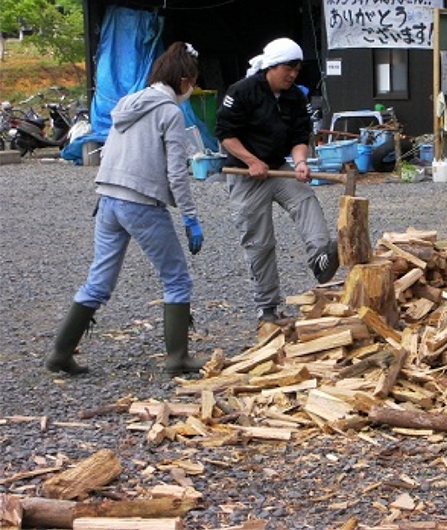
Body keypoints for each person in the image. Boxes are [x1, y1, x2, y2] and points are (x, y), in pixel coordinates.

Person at [46, 42, 207, 376]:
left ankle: (60, 353)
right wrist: (190, 217)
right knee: (177, 280)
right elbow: (176, 172)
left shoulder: (127, 102)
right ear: (183, 78)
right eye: (192, 80)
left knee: (99, 281)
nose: (192, 87)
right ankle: (177, 358)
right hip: (141, 203)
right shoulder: (169, 112)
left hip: (107, 200)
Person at [215, 37, 338, 325]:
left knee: (305, 198)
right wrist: (251, 161)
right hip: (246, 174)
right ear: (272, 66)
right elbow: (225, 134)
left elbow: (299, 136)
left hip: (278, 168)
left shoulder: (295, 96)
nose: (293, 74)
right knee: (260, 241)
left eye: (297, 69)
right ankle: (267, 308)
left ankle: (321, 258)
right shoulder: (243, 91)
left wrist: (300, 163)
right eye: (288, 68)